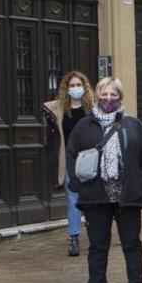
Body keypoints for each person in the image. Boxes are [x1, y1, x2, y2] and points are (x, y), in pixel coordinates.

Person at [66, 77, 142, 283]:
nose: (109, 99)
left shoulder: (133, 125)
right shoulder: (84, 126)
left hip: (127, 197)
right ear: (97, 95)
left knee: (132, 245)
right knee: (97, 248)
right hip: (96, 197)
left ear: (121, 97)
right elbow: (72, 156)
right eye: (104, 94)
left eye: (114, 95)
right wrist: (77, 186)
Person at [46, 72, 94, 257]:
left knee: (90, 198)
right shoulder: (61, 109)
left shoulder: (91, 108)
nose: (75, 89)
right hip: (69, 160)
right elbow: (47, 108)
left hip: (89, 159)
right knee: (72, 200)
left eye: (78, 85)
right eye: (72, 85)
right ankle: (73, 238)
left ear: (85, 87)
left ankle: (93, 234)